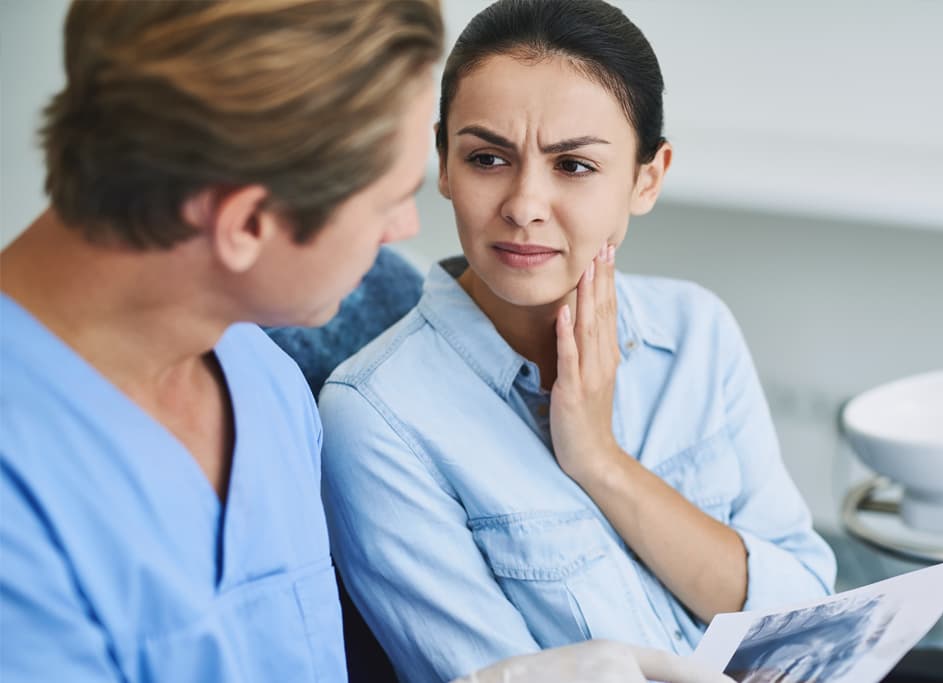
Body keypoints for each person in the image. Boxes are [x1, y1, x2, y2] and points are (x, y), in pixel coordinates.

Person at [318, 0, 838, 681]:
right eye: (487, 157)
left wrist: (601, 460)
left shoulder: (696, 332)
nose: (525, 203)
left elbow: (808, 612)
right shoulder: (376, 415)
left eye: (574, 167)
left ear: (648, 178)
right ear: (443, 162)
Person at [0, 1, 442, 680]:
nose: (403, 228)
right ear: (247, 223)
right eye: (389, 199)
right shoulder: (22, 503)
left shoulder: (267, 382)